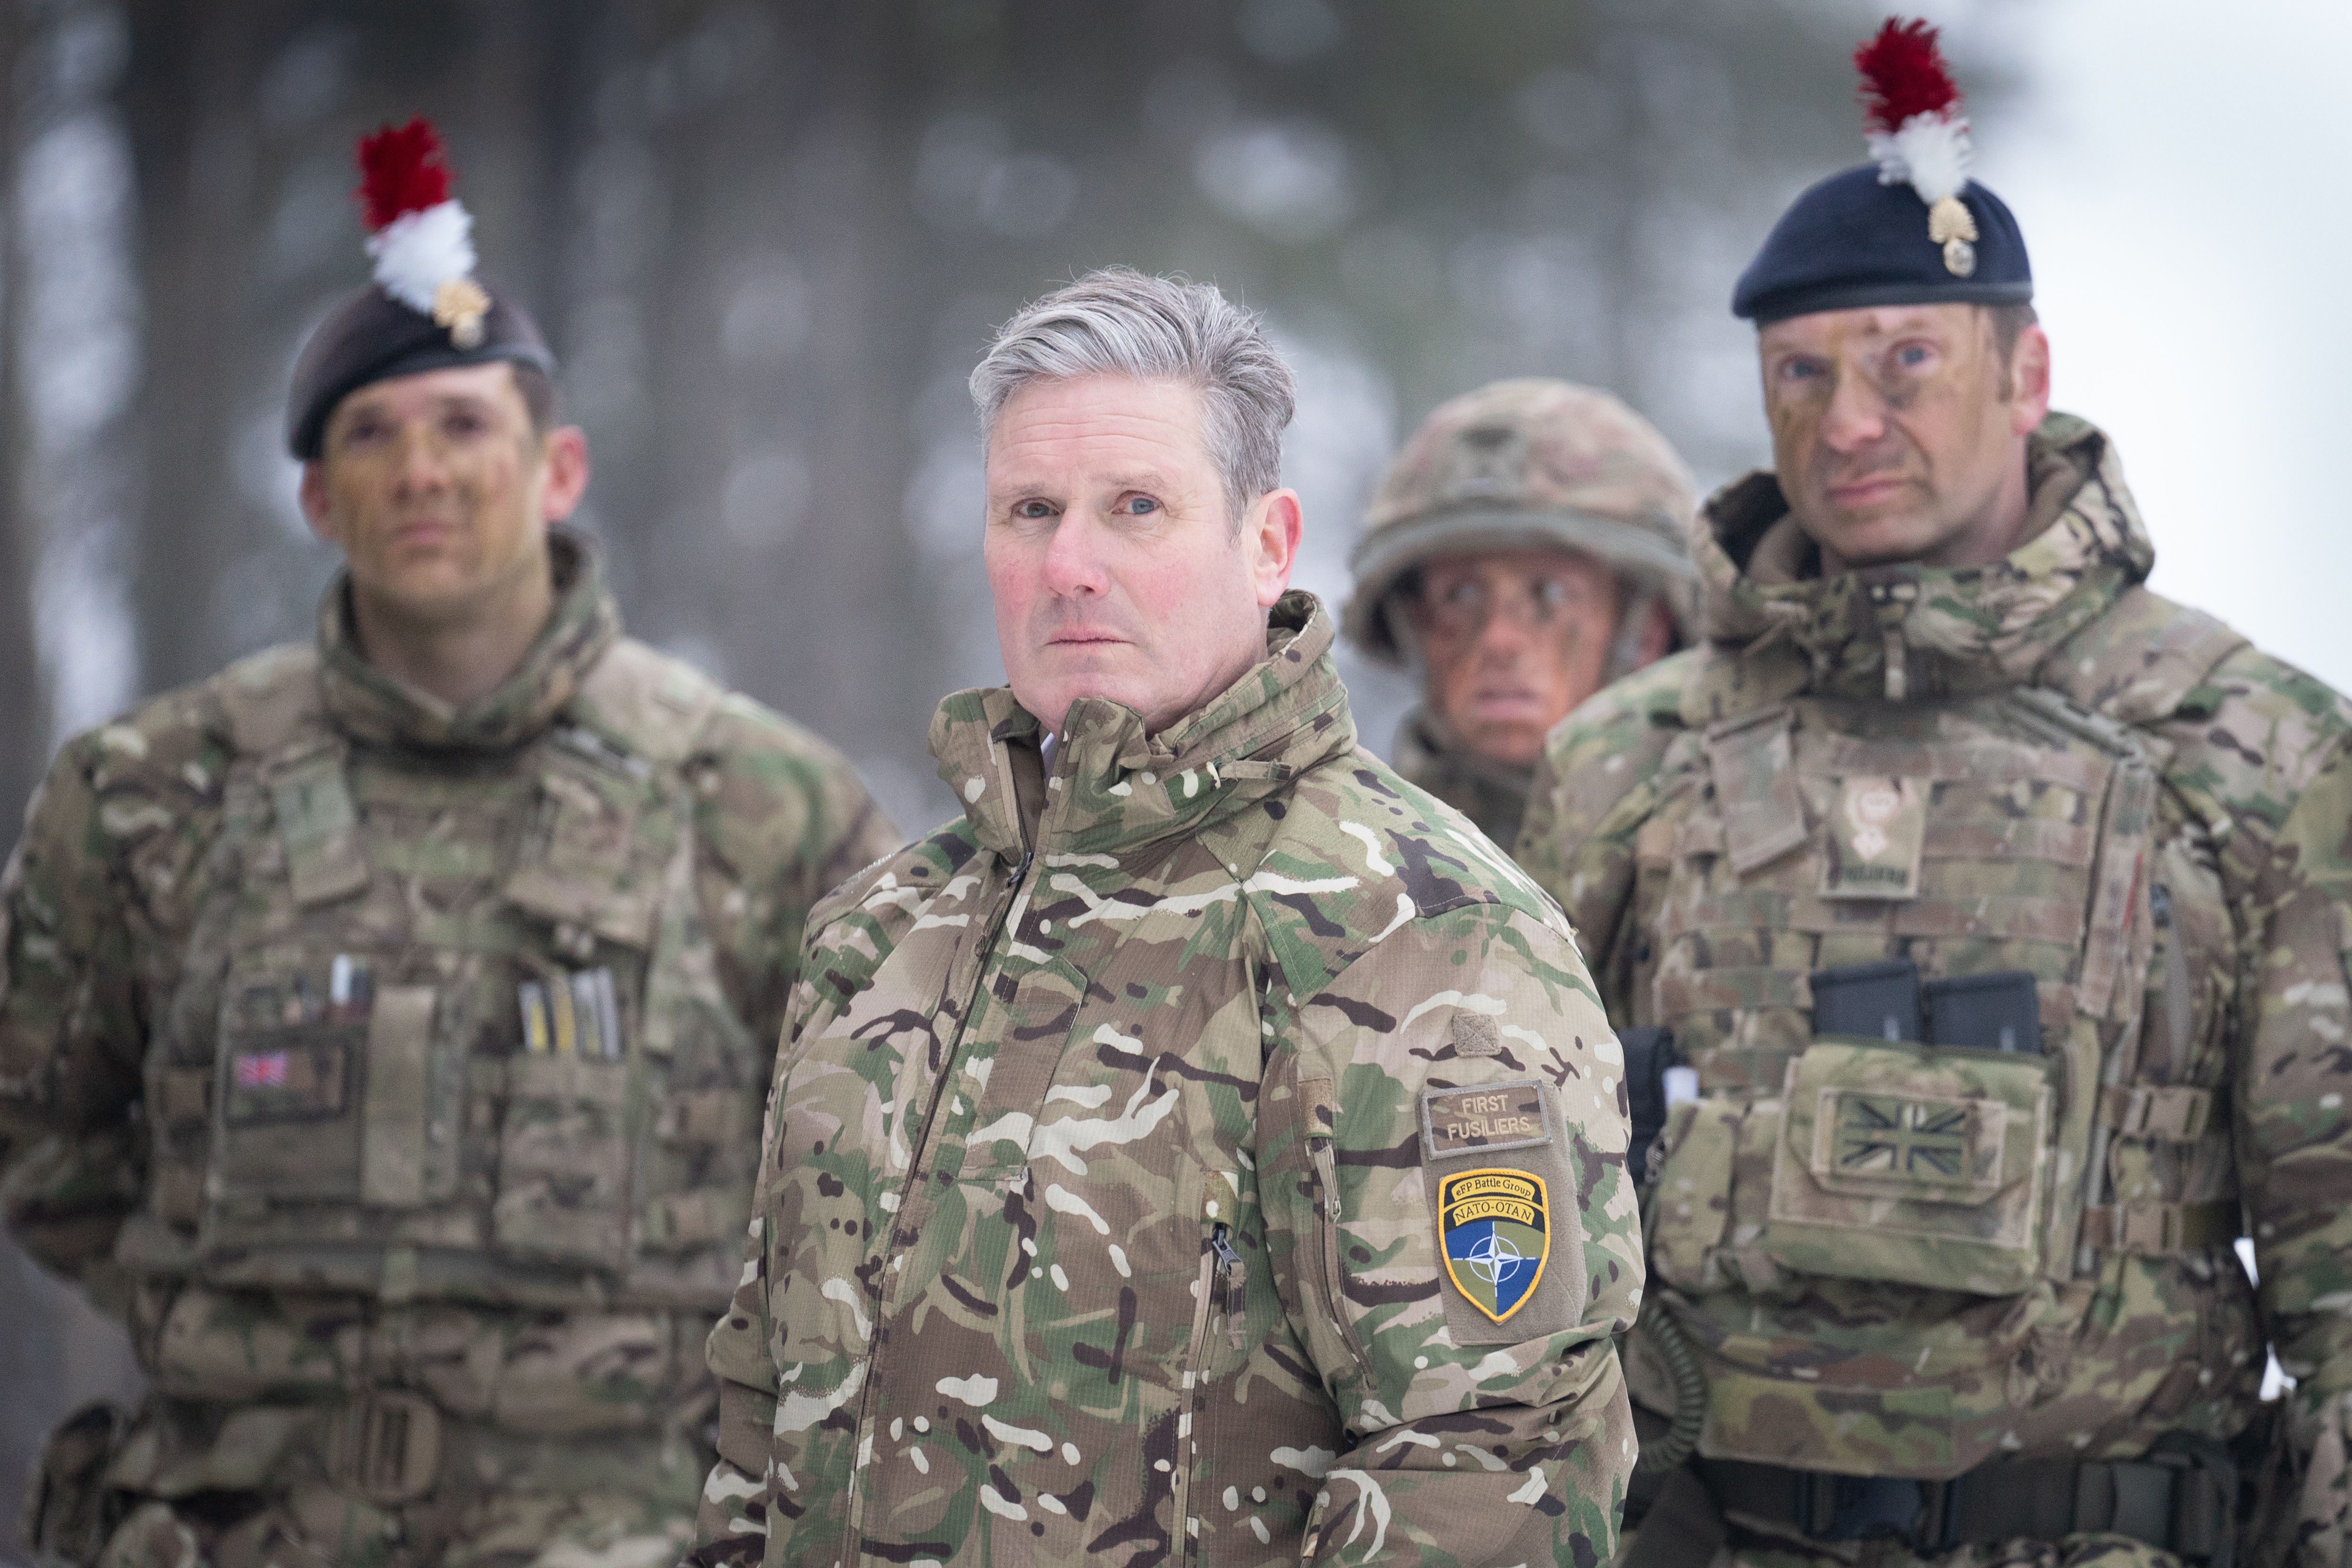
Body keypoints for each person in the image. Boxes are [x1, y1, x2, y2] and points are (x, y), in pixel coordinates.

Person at [0, 121, 899, 1568]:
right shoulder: (148, 797)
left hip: (621, 1522)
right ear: (316, 497)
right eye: (372, 435)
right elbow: (45, 1142)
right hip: (241, 1518)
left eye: (465, 426)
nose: (421, 469)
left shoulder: (759, 800)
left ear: (558, 469)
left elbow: (874, 1179)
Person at [1514, 18, 2352, 1567]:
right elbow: (1506, 1204)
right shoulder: (1626, 760)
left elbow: (2339, 1261)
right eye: (1801, 372)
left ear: (2023, 374)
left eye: (1906, 359)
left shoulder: (2246, 747)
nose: (1847, 421)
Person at [684, 268, 1641, 1568]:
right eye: (1030, 510)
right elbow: (761, 1412)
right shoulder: (881, 931)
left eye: (1135, 507)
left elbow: (1491, 1466)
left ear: (1267, 542)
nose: (1069, 565)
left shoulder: (1422, 938)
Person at [1343, 379, 1695, 848]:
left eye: (1552, 593)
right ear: (1413, 624)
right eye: (1460, 595)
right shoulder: (1340, 860)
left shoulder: (1724, 861)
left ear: (1648, 629)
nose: (1499, 639)